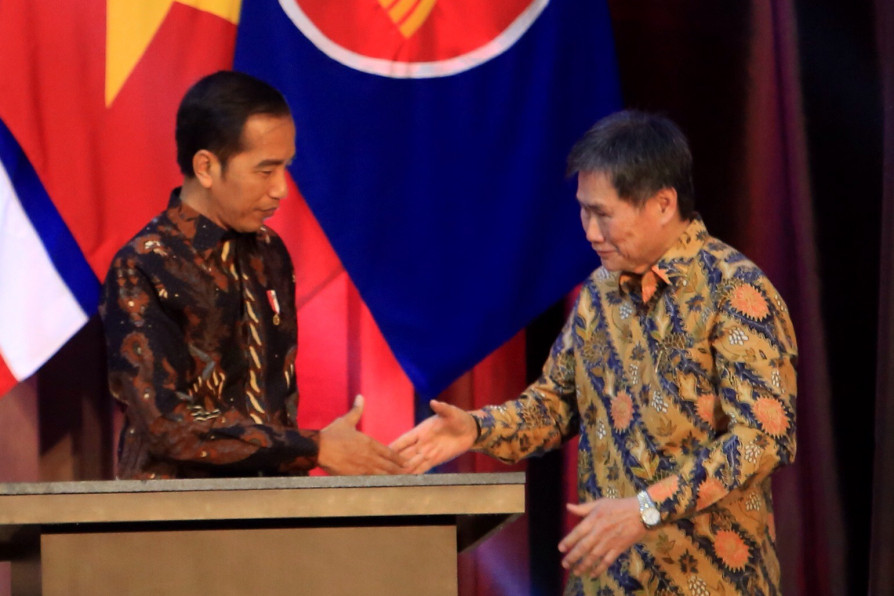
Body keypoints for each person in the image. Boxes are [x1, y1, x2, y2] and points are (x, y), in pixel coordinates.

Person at [392, 110, 797, 594]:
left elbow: (763, 440)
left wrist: (646, 509)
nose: (589, 230)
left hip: (708, 578)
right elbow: (555, 405)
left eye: (603, 213)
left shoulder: (735, 293)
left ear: (663, 203)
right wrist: (476, 428)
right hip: (607, 580)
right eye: (584, 210)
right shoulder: (599, 294)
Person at [100, 70, 403, 479]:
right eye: (265, 170)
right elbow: (166, 426)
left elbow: (277, 404)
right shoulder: (142, 266)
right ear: (206, 167)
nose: (281, 188)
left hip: (273, 516)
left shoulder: (270, 253)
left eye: (286, 167)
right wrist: (315, 448)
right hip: (173, 522)